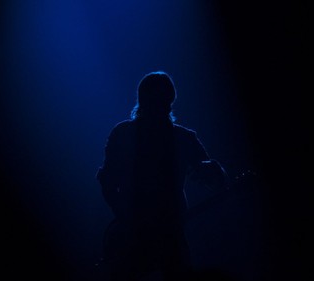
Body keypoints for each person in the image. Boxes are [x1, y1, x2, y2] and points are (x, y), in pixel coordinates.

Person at [96, 71, 226, 281]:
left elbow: (215, 181)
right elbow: (107, 180)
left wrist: (212, 172)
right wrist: (126, 218)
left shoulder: (181, 137)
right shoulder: (128, 134)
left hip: (165, 234)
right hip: (135, 236)